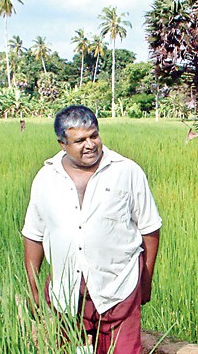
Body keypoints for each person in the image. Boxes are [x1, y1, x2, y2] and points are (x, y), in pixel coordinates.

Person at [22, 105, 162, 354]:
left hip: (119, 287)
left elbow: (150, 229)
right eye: (80, 140)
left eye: (94, 136)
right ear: (62, 143)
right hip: (66, 291)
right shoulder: (46, 178)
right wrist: (32, 289)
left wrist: (146, 281)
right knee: (69, 349)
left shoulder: (126, 171)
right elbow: (34, 234)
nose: (90, 145)